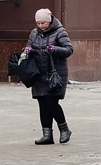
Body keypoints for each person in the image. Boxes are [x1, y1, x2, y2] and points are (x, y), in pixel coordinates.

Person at [25, 8, 73, 145]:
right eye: (38, 23)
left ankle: (64, 130)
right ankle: (47, 135)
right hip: (38, 75)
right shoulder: (34, 33)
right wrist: (27, 51)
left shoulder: (60, 32)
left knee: (51, 103)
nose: (41, 26)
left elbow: (69, 49)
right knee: (42, 103)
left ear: (50, 21)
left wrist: (55, 49)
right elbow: (29, 46)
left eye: (43, 23)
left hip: (55, 75)